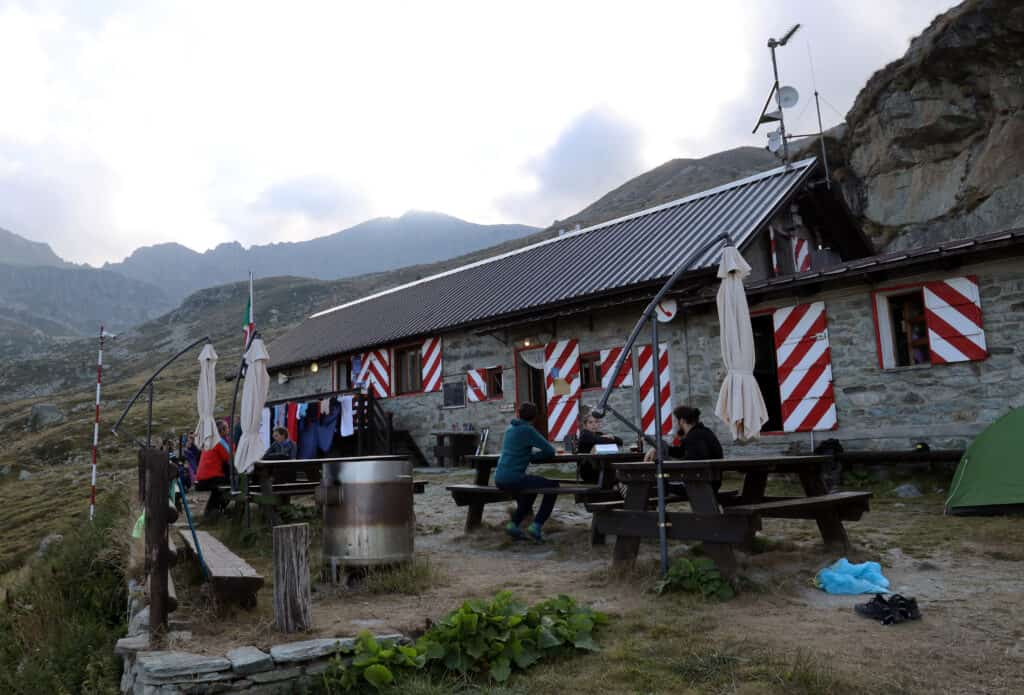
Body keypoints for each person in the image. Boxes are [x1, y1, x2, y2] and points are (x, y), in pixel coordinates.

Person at [494, 402, 557, 542]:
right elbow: (550, 451)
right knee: (553, 486)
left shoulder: (510, 429)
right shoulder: (528, 430)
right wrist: (534, 457)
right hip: (513, 477)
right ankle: (536, 526)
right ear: (534, 418)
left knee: (531, 490)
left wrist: (528, 457)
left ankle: (513, 524)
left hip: (499, 477)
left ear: (517, 414)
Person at [645, 405, 724, 461]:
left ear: (682, 421)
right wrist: (659, 446)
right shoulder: (699, 433)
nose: (676, 424)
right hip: (703, 478)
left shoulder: (695, 436)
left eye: (677, 421)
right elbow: (681, 452)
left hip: (702, 481)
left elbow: (694, 460)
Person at [196, 419, 232, 515]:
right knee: (233, 483)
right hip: (211, 478)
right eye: (227, 428)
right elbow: (229, 458)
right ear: (222, 431)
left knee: (224, 484)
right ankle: (215, 511)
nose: (229, 430)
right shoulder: (219, 442)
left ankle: (212, 511)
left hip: (201, 478)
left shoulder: (210, 440)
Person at [577, 413, 623, 483]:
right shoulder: (584, 435)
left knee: (616, 474)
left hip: (601, 468)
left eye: (596, 422)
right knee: (614, 476)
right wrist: (608, 438)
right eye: (590, 422)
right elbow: (597, 440)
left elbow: (620, 441)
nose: (594, 424)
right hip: (588, 470)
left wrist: (612, 437)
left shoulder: (599, 434)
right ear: (585, 425)